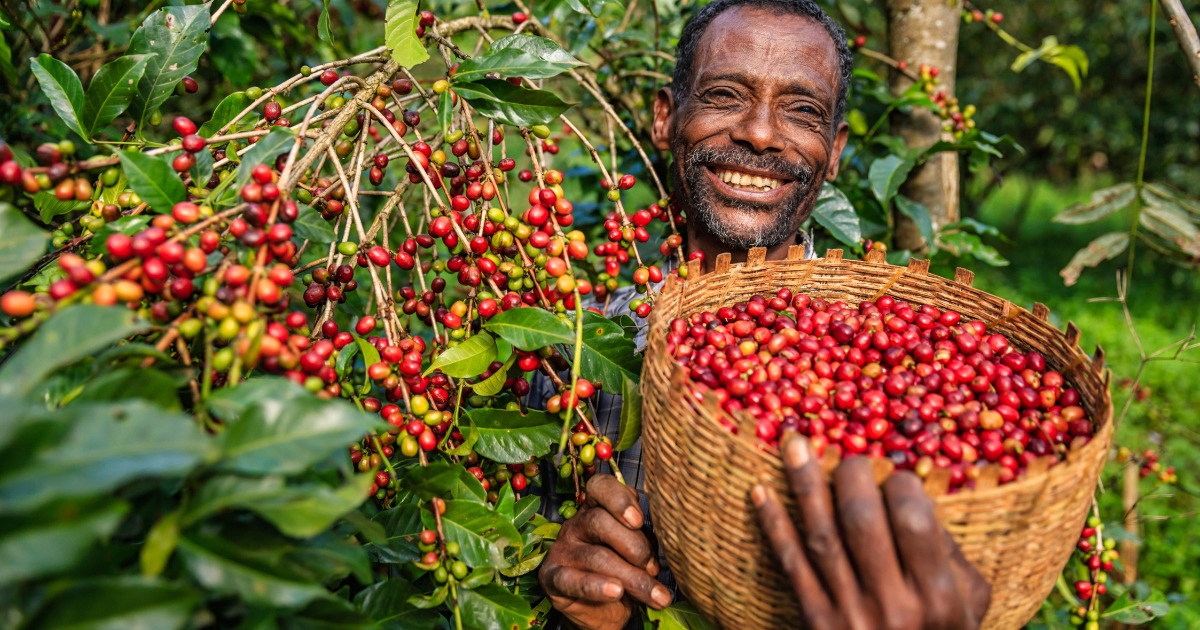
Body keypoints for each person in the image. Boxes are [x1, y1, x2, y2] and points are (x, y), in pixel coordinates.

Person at [535, 1, 993, 628]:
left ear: (833, 154)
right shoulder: (572, 352)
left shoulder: (891, 355)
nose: (759, 132)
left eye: (801, 110)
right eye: (725, 95)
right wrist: (572, 605)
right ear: (667, 118)